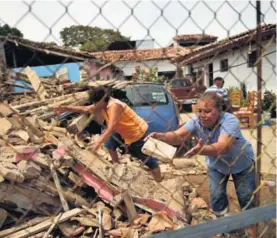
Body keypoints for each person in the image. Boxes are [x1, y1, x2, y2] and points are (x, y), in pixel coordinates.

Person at [149, 92, 256, 237]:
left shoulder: (230, 121)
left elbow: (223, 147)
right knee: (217, 197)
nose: (202, 115)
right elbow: (178, 136)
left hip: (241, 164)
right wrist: (161, 136)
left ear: (219, 111)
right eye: (199, 111)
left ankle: (252, 233)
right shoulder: (195, 122)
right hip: (216, 165)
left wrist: (202, 150)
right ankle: (225, 229)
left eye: (207, 111)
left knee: (246, 199)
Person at [54, 88, 162, 182]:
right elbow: (86, 109)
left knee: (147, 159)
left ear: (102, 100)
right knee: (110, 144)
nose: (95, 105)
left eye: (96, 102)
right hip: (122, 131)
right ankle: (118, 168)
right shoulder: (103, 105)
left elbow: (111, 127)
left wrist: (97, 144)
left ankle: (158, 181)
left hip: (136, 132)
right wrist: (65, 108)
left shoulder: (114, 105)